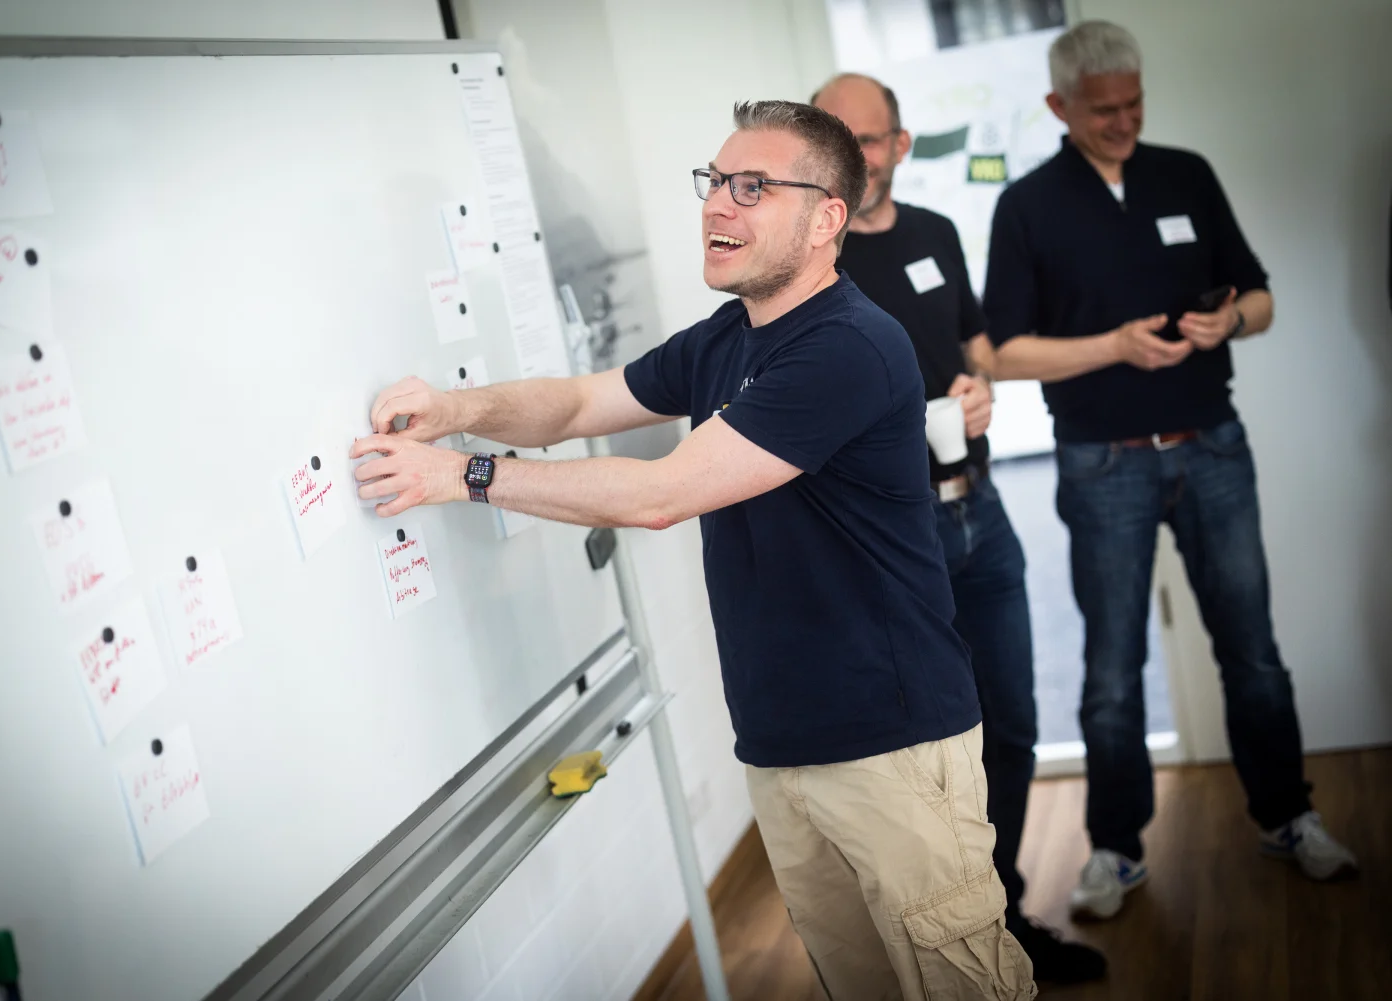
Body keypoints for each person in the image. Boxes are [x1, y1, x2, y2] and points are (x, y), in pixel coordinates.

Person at [350, 100, 1035, 1000]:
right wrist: (456, 408)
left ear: (828, 217)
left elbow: (659, 494)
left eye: (754, 187)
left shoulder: (850, 347)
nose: (718, 205)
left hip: (893, 750)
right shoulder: (730, 337)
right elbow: (580, 405)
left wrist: (461, 476)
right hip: (781, 746)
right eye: (715, 182)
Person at [983, 20, 1359, 923]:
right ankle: (1116, 847)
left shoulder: (1185, 172)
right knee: (1113, 670)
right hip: (1101, 465)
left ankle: (1288, 814)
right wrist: (1111, 346)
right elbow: (1002, 352)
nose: (1123, 121)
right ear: (1057, 107)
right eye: (1103, 109)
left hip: (1214, 448)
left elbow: (1261, 295)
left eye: (1135, 102)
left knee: (1254, 652)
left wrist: (1228, 325)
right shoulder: (1028, 205)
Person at [814, 72, 1106, 983]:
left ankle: (1004, 916)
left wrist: (980, 387)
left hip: (980, 511)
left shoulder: (938, 234)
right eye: (838, 137)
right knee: (922, 752)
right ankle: (944, 945)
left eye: (871, 139)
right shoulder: (809, 261)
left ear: (901, 146)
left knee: (1012, 722)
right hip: (887, 538)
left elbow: (976, 352)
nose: (857, 155)